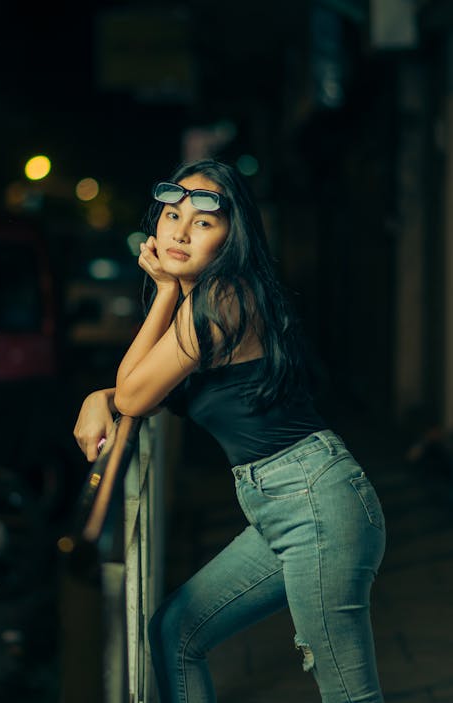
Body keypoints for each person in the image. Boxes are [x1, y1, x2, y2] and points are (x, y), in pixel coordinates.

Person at [73, 159, 386, 702]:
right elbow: (141, 391)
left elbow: (133, 395)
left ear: (230, 236)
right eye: (173, 215)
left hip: (314, 503)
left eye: (203, 222)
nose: (180, 230)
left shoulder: (222, 301)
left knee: (348, 695)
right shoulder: (209, 300)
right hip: (284, 507)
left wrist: (165, 293)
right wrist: (99, 393)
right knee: (176, 631)